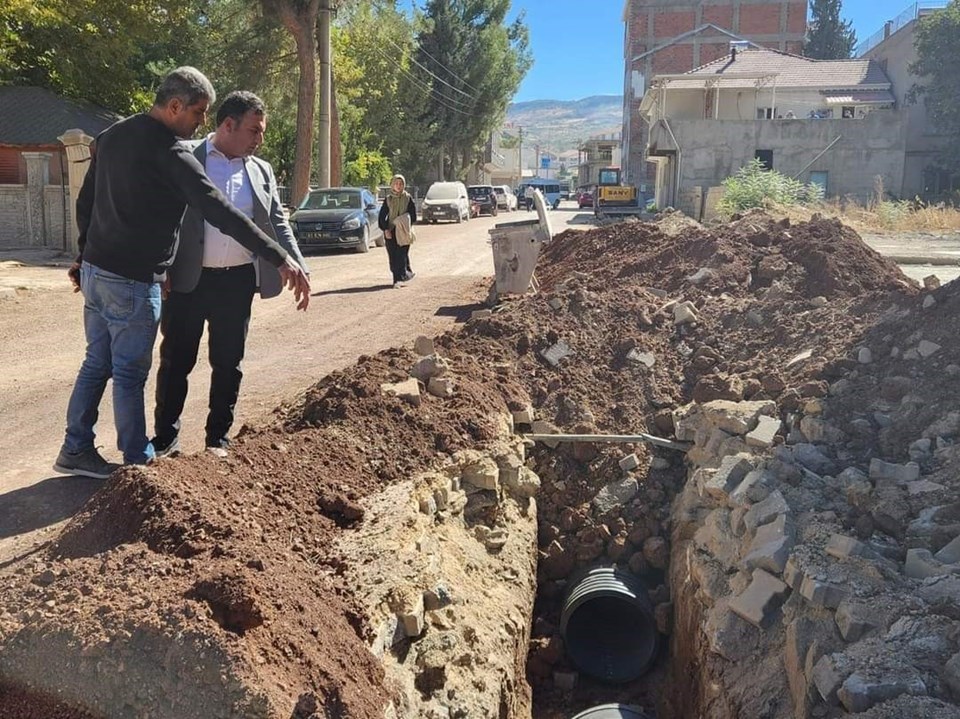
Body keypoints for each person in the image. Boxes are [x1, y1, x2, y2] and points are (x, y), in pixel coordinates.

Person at [53, 67, 310, 480]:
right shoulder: (174, 154)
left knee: (96, 362)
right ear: (175, 106)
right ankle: (138, 460)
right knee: (132, 372)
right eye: (198, 112)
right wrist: (279, 258)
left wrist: (84, 256)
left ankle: (75, 447)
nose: (201, 122)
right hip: (134, 280)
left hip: (98, 273)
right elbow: (219, 211)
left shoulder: (112, 135)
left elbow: (87, 201)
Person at [151, 91, 310, 459]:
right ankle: (165, 440)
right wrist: (160, 268)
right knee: (176, 360)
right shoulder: (186, 156)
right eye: (254, 131)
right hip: (188, 279)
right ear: (227, 125)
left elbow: (276, 223)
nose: (260, 139)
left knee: (228, 363)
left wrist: (295, 262)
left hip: (237, 281)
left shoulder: (261, 169)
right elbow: (160, 215)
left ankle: (217, 439)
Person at [378, 174, 416, 288]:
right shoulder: (388, 199)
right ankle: (398, 277)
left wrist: (403, 221)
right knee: (393, 255)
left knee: (402, 254)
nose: (399, 186)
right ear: (392, 185)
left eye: (401, 184)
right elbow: (382, 216)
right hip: (391, 231)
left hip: (404, 231)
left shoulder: (408, 198)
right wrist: (385, 229)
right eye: (397, 184)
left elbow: (413, 216)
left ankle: (399, 279)